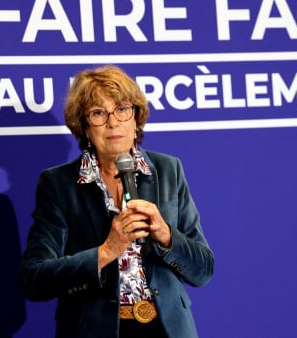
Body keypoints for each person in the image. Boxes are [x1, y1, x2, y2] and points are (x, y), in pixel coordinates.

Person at [18, 65, 215, 338]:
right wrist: (105, 252)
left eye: (122, 109)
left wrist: (166, 236)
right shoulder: (58, 184)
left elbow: (203, 270)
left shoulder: (168, 170)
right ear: (85, 126)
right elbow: (34, 279)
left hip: (169, 329)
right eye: (99, 113)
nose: (113, 122)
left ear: (136, 119)